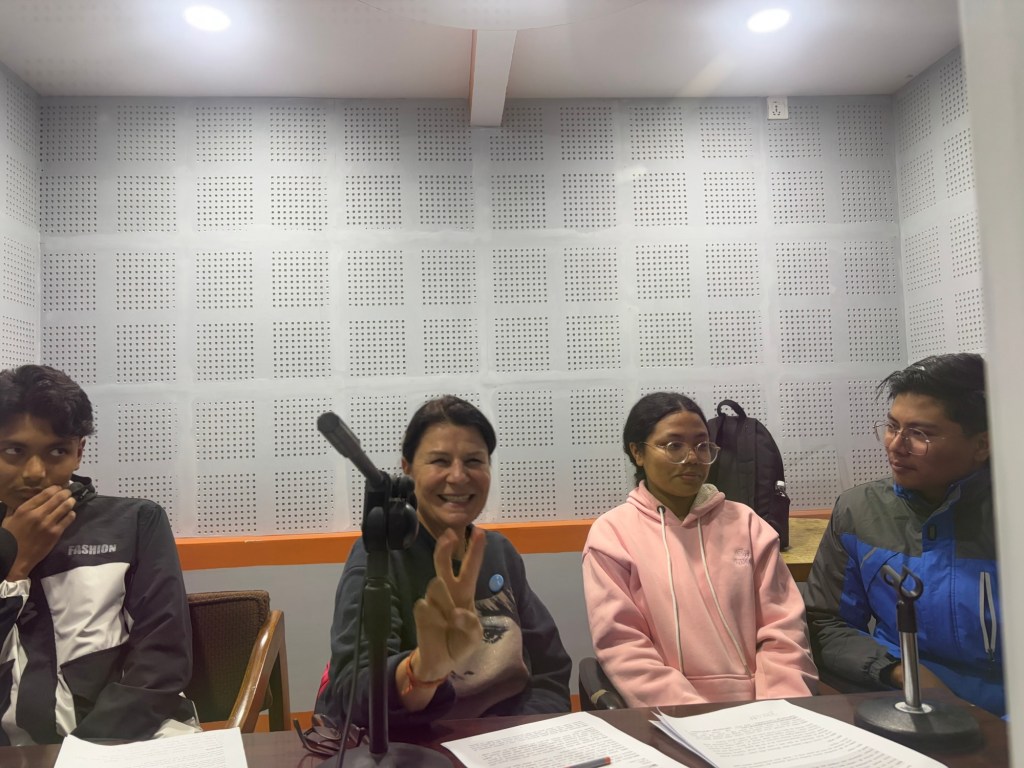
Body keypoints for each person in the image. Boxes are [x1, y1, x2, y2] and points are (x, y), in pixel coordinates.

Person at [317, 395, 571, 729]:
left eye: (474, 461)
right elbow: (355, 692)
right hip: (419, 745)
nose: (458, 476)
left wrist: (528, 731)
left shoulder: (498, 552)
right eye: (439, 461)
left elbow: (550, 672)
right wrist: (423, 668)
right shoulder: (377, 558)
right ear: (407, 467)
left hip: (508, 743)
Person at [0, 364, 197, 745]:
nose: (35, 472)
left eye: (57, 451)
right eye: (14, 451)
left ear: (79, 452)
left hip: (128, 741)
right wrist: (16, 564)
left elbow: (160, 663)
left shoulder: (135, 522)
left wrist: (83, 753)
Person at [583, 392, 817, 707]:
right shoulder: (612, 535)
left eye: (702, 445)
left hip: (763, 710)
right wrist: (694, 718)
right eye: (674, 446)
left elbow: (784, 631)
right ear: (637, 452)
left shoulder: (747, 525)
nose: (692, 458)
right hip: (670, 714)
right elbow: (623, 645)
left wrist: (777, 709)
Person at [804, 353, 1002, 715]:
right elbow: (826, 624)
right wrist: (900, 672)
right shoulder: (859, 510)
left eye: (920, 434)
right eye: (892, 426)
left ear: (982, 444)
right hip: (899, 702)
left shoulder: (1010, 516)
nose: (895, 445)